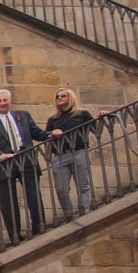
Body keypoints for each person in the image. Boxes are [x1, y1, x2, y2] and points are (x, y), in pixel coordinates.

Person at [0, 88, 47, 243]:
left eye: (5, 100)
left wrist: (51, 134)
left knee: (33, 194)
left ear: (10, 102)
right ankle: (15, 235)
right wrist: (0, 155)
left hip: (26, 158)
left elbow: (36, 133)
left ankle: (39, 226)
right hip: (4, 163)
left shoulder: (22, 116)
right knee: (8, 200)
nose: (3, 103)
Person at [45, 87, 115, 219]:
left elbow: (96, 131)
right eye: (57, 96)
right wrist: (51, 133)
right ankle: (69, 214)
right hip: (60, 156)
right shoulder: (53, 119)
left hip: (78, 152)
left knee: (83, 185)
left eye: (63, 95)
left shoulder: (82, 114)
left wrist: (103, 117)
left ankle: (84, 212)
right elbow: (45, 135)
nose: (59, 98)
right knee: (61, 189)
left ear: (70, 97)